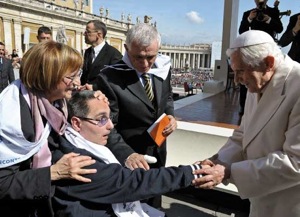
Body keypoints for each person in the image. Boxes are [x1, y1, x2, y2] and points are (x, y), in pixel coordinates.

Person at [193, 30, 300, 217]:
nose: (236, 80)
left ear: (268, 63)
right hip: (261, 196)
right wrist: (219, 160)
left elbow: (296, 162)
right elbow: (244, 134)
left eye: (240, 71)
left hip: (289, 202)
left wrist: (229, 171)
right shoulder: (258, 80)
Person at [52, 90, 202, 217]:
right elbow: (131, 183)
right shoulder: (76, 160)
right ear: (77, 123)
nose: (110, 126)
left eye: (109, 117)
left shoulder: (73, 142)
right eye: (101, 119)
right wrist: (193, 172)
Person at [0, 41, 98, 217]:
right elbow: (3, 183)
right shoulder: (13, 116)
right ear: (48, 77)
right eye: (71, 76)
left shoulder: (55, 101)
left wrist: (94, 100)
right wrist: (53, 173)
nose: (77, 82)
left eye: (79, 73)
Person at [92, 23, 177, 208]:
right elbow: (107, 126)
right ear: (126, 48)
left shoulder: (163, 67)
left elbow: (168, 97)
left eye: (151, 57)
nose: (146, 64)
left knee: (154, 201)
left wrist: (171, 116)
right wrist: (127, 154)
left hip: (158, 149)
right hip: (129, 156)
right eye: (138, 57)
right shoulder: (108, 78)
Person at [238, 0, 283, 116]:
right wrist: (249, 19)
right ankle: (243, 108)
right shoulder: (248, 13)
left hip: (269, 50)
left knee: (270, 78)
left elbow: (279, 29)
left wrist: (268, 19)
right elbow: (241, 31)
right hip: (252, 50)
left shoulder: (273, 12)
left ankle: (268, 108)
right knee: (246, 77)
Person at [80, 20, 122, 85]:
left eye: (88, 32)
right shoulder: (87, 52)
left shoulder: (114, 54)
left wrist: (94, 87)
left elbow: (116, 81)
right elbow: (85, 76)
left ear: (99, 35)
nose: (84, 34)